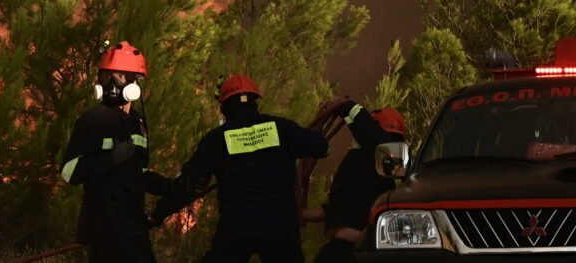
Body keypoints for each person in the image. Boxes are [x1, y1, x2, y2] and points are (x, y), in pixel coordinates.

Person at [152, 74, 329, 263]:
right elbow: (321, 147)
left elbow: (187, 188)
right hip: (280, 225)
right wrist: (319, 122)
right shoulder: (281, 128)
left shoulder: (215, 139)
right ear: (255, 101)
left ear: (224, 107)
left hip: (237, 225)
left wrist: (157, 214)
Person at [60, 41, 157, 263]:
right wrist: (110, 158)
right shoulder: (94, 119)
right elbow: (68, 172)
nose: (112, 83)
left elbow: (140, 173)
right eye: (106, 76)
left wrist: (173, 188)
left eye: (120, 76)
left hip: (133, 227)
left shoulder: (138, 121)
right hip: (105, 230)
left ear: (135, 82)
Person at [303, 100, 407, 263]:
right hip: (343, 250)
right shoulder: (368, 169)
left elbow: (377, 139)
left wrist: (347, 106)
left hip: (355, 252)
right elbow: (338, 207)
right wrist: (301, 214)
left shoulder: (376, 160)